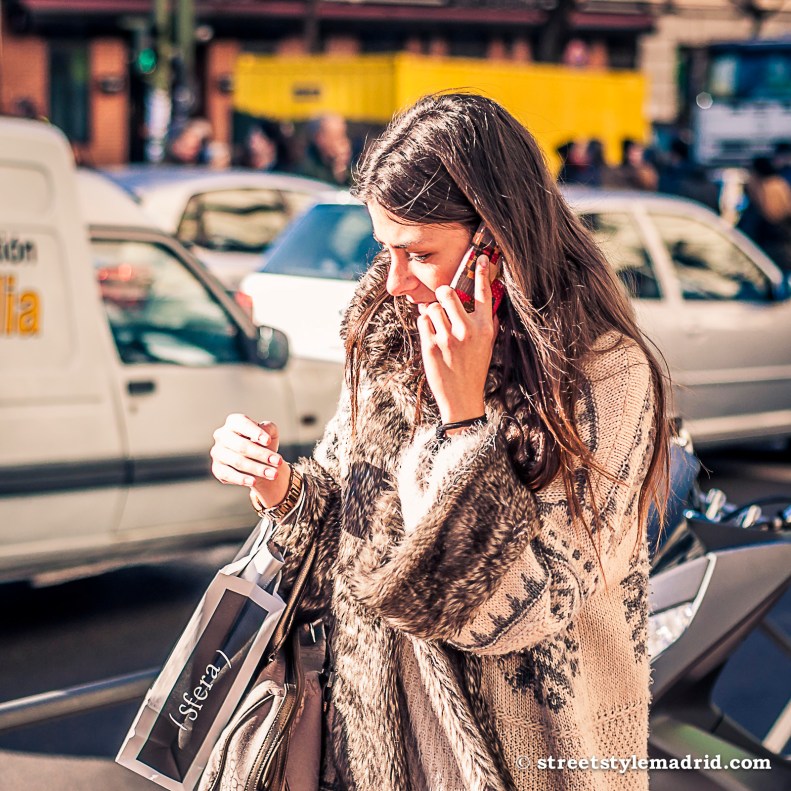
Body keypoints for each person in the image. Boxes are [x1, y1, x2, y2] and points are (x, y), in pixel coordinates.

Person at [210, 93, 670, 791]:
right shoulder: (391, 339)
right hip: (374, 747)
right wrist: (278, 483)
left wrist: (462, 426)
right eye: (385, 250)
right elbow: (358, 536)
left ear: (495, 241)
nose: (394, 281)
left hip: (530, 758)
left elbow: (519, 611)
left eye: (418, 253)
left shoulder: (603, 371)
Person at [737, 156, 791, 272]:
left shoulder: (763, 191)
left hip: (767, 254)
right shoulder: (780, 186)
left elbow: (750, 229)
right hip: (783, 249)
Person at [295, 112, 353, 186]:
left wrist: (342, 170)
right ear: (320, 138)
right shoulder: (306, 169)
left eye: (344, 135)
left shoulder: (349, 168)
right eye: (337, 137)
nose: (344, 142)